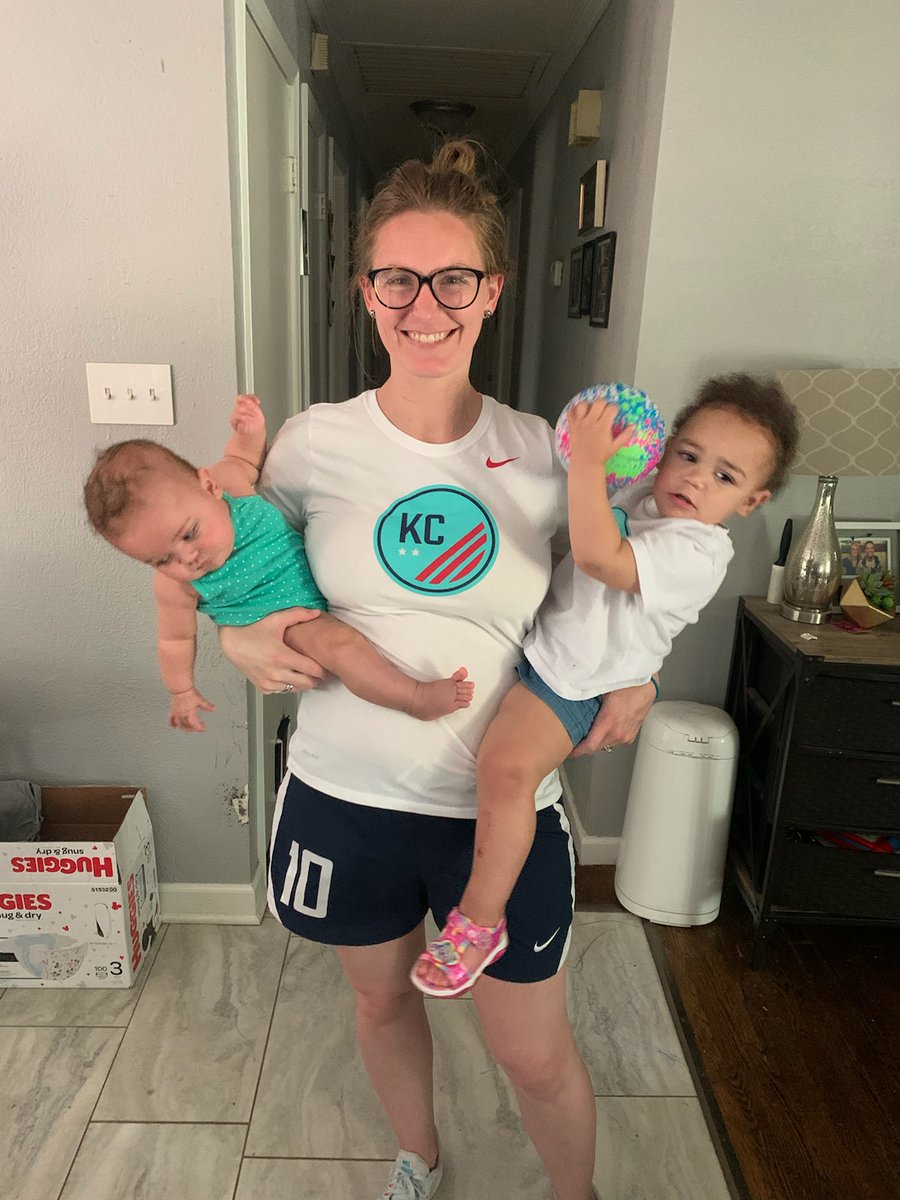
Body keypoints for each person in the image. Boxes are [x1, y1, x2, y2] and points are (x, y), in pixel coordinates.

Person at [217, 139, 656, 1200]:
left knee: (533, 1053)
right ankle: (418, 1156)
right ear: (364, 290)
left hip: (497, 815)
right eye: (397, 279)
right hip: (343, 800)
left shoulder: (549, 453)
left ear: (492, 290)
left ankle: (576, 1194)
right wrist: (236, 641)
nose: (425, 307)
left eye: (452, 278)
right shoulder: (311, 446)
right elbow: (240, 577)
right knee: (379, 1004)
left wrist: (638, 667)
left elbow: (629, 579)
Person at [412, 374, 799, 997]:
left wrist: (589, 465)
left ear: (753, 500)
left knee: (505, 771)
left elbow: (598, 555)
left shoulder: (697, 550)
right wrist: (603, 443)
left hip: (576, 685)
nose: (696, 478)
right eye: (689, 455)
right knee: (491, 770)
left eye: (725, 477)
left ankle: (479, 924)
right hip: (546, 656)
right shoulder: (652, 493)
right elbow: (588, 504)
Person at [82, 394, 474, 732]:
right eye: (161, 559)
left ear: (208, 487)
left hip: (318, 599)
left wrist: (249, 428)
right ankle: (414, 697)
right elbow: (174, 639)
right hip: (286, 624)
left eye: (189, 534)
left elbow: (241, 455)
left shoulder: (232, 482)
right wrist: (181, 691)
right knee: (343, 646)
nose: (187, 557)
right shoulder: (176, 585)